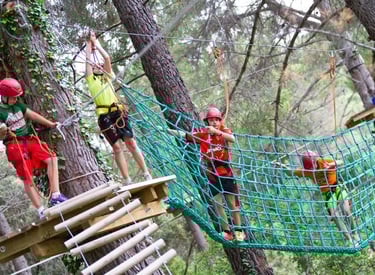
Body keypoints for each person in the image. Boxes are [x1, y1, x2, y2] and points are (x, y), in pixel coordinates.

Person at [168, 107, 244, 241]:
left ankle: (239, 232)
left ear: (220, 121)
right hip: (211, 174)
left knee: (232, 204)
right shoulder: (203, 134)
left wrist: (216, 132)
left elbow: (232, 138)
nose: (214, 122)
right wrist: (168, 131)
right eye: (211, 120)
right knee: (217, 203)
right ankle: (227, 232)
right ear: (207, 122)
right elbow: (185, 135)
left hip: (226, 172)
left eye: (216, 120)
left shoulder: (224, 131)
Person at [85, 31, 151, 184]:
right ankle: (127, 179)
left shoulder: (107, 76)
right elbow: (88, 62)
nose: (97, 66)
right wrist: (89, 45)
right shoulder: (91, 81)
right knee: (116, 148)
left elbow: (107, 58)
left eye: (99, 65)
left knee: (131, 142)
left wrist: (96, 43)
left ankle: (146, 172)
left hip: (118, 112)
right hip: (104, 116)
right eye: (95, 66)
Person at [0, 78, 67, 219]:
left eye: (16, 97)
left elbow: (33, 115)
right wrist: (3, 131)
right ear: (4, 96)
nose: (15, 99)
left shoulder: (19, 105)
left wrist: (50, 124)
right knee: (27, 176)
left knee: (51, 157)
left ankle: (55, 195)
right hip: (14, 145)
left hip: (29, 139)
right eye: (12, 97)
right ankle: (40, 210)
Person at [276, 151, 358, 242]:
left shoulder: (323, 162)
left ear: (316, 161)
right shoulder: (307, 171)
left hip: (337, 187)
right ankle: (350, 239)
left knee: (345, 209)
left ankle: (355, 234)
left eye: (313, 165)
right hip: (327, 194)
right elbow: (290, 172)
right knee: (334, 216)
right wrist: (282, 165)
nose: (312, 169)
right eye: (309, 167)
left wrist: (331, 164)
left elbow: (341, 162)